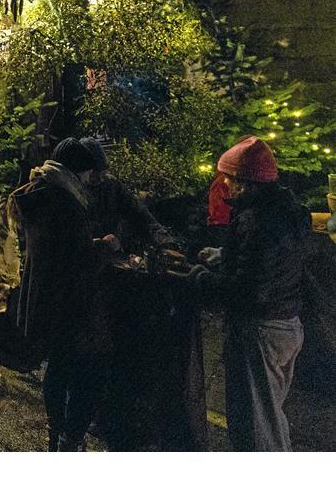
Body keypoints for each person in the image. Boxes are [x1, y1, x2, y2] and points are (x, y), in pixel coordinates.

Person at [186, 136, 309, 451]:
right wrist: (222, 255)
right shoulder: (285, 211)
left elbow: (247, 290)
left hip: (260, 332)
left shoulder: (255, 221)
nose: (225, 184)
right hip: (287, 323)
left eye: (229, 178)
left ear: (245, 181)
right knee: (270, 413)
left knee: (255, 425)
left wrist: (200, 278)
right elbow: (269, 264)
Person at [9, 137, 112, 451]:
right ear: (77, 171)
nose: (89, 181)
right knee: (84, 370)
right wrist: (105, 246)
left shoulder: (35, 194)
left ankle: (55, 431)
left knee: (57, 366)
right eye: (86, 173)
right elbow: (78, 257)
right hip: (70, 300)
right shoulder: (65, 203)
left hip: (44, 295)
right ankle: (71, 438)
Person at [78, 137, 174, 258]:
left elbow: (138, 213)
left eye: (103, 173)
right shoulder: (74, 190)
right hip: (89, 256)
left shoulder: (111, 185)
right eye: (95, 174)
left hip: (115, 253)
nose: (101, 178)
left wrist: (163, 241)